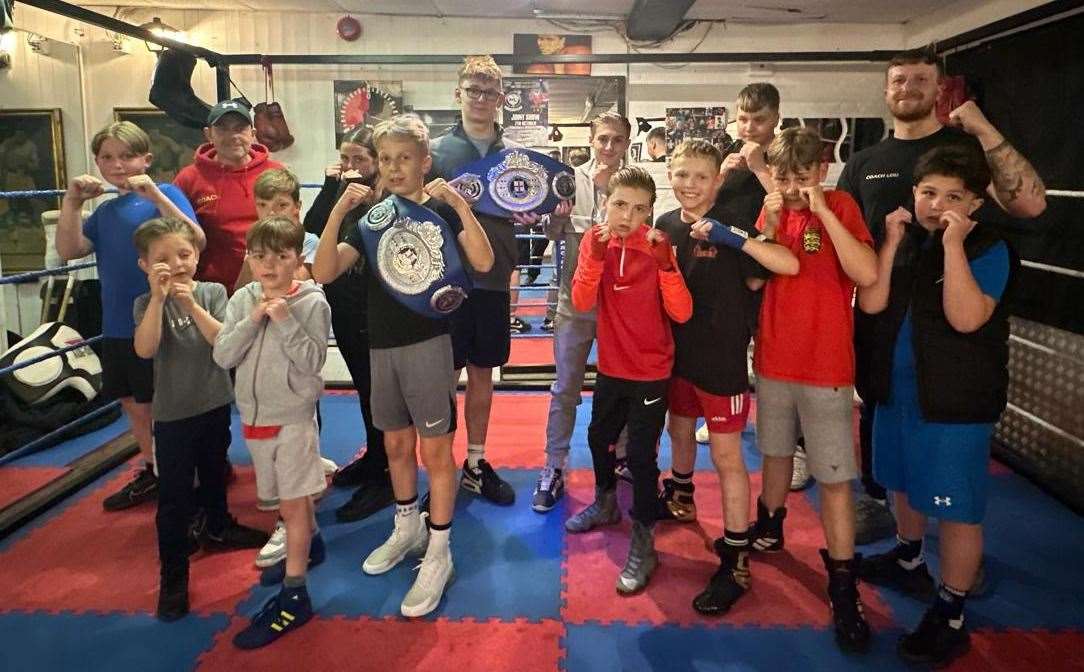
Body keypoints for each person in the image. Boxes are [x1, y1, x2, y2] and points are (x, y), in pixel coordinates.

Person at [838, 45, 1046, 545]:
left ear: (938, 89)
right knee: (887, 435)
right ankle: (900, 539)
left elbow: (1031, 204)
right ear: (886, 91)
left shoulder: (967, 153)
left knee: (950, 464)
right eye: (898, 81)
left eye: (919, 80)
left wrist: (981, 126)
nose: (907, 89)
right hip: (886, 322)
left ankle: (955, 571)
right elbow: (842, 235)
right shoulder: (865, 161)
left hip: (953, 330)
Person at [312, 114, 494, 617]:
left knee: (435, 452)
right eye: (386, 159)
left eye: (404, 158)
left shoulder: (441, 208)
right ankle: (406, 527)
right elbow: (324, 270)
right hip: (381, 346)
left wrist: (459, 204)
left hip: (429, 344)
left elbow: (480, 262)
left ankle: (439, 552)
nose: (394, 168)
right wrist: (337, 211)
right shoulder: (370, 217)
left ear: (424, 161)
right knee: (394, 444)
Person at [857, 144, 1016, 666]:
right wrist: (892, 239)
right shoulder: (905, 242)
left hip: (953, 405)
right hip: (897, 394)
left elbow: (968, 318)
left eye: (953, 196)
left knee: (957, 512)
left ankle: (951, 610)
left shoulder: (989, 247)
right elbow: (873, 302)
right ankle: (907, 559)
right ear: (913, 194)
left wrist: (952, 244)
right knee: (899, 484)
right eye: (929, 193)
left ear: (974, 204)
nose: (937, 204)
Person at [748, 126, 878, 653]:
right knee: (776, 453)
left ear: (821, 172)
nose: (794, 187)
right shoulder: (772, 209)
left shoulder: (841, 205)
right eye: (783, 178)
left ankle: (843, 578)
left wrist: (822, 211)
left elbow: (865, 273)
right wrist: (771, 224)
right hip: (775, 356)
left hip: (826, 363)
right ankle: (769, 523)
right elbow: (756, 281)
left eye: (803, 178)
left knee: (834, 475)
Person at [654, 139, 799, 614]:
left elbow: (760, 278)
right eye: (681, 175)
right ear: (669, 176)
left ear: (717, 179)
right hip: (677, 357)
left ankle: (736, 557)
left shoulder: (734, 223)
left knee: (726, 457)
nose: (690, 186)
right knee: (677, 429)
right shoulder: (666, 225)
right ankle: (680, 496)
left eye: (700, 177)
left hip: (722, 363)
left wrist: (752, 233)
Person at [55, 121, 204, 512]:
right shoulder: (104, 211)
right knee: (133, 404)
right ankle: (155, 470)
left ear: (146, 159)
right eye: (108, 157)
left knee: (167, 404)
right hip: (118, 322)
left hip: (165, 318)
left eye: (126, 156)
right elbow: (70, 249)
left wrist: (155, 194)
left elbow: (196, 239)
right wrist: (71, 202)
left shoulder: (166, 194)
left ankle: (189, 472)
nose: (117, 164)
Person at [131, 217, 267, 622]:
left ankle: (219, 526)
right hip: (172, 414)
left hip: (213, 403)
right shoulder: (144, 303)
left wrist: (190, 303)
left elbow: (223, 341)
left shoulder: (210, 292)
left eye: (184, 254)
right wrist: (159, 300)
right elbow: (144, 349)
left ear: (198, 255)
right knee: (173, 496)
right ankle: (174, 574)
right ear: (145, 265)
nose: (176, 264)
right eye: (163, 259)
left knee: (214, 473)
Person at [564, 166, 691, 595]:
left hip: (652, 370)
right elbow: (582, 302)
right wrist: (596, 260)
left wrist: (667, 267)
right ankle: (604, 504)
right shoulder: (593, 241)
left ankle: (644, 542)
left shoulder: (655, 246)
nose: (627, 215)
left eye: (639, 209)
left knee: (638, 456)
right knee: (599, 436)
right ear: (605, 203)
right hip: (613, 367)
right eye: (619, 204)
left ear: (651, 213)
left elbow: (682, 312)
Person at [214, 216, 331, 648]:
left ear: (298, 259)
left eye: (281, 256)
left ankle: (296, 592)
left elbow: (312, 361)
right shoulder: (243, 298)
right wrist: (254, 319)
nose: (269, 265)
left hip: (294, 419)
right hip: (254, 416)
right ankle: (312, 544)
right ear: (249, 258)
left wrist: (283, 319)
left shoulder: (313, 302)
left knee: (292, 506)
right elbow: (224, 354)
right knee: (284, 500)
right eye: (260, 256)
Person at [237, 168, 347, 572]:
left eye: (280, 205)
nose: (271, 213)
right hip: (260, 396)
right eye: (263, 206)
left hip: (295, 391)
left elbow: (311, 278)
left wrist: (281, 285)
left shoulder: (309, 266)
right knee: (284, 474)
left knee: (298, 452)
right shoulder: (255, 261)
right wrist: (254, 285)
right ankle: (304, 524)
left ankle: (295, 567)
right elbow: (228, 342)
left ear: (296, 208)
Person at [428, 55, 524, 504]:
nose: (482, 100)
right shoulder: (435, 153)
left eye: (490, 93)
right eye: (474, 91)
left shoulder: (514, 158)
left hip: (493, 279)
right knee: (444, 376)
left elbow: (529, 206)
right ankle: (442, 468)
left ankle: (475, 463)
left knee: (484, 372)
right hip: (447, 278)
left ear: (501, 99)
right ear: (458, 94)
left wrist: (538, 209)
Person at [533, 112, 632, 512]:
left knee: (624, 384)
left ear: (627, 143)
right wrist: (554, 218)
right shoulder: (568, 179)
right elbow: (549, 235)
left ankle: (623, 455)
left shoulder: (636, 184)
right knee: (565, 389)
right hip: (574, 304)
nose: (609, 147)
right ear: (591, 139)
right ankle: (554, 467)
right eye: (603, 138)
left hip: (620, 305)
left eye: (618, 140)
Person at [302, 126, 394, 523]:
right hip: (345, 303)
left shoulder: (388, 201)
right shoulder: (343, 193)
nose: (353, 167)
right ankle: (374, 459)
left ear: (377, 162)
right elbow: (311, 226)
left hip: (377, 308)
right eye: (347, 158)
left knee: (381, 395)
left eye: (361, 159)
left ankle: (386, 475)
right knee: (364, 390)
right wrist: (330, 186)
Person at [174, 99, 283, 292]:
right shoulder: (188, 179)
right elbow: (176, 237)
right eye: (222, 129)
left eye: (240, 128)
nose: (233, 136)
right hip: (211, 292)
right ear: (208, 134)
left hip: (268, 286)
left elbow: (291, 228)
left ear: (253, 133)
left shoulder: (276, 173)